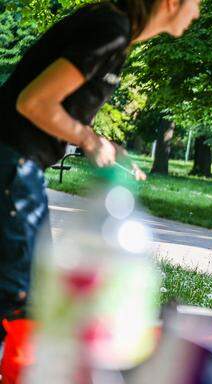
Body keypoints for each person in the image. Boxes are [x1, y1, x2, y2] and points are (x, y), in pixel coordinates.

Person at [0, 0, 201, 336]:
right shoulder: (109, 29)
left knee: (28, 296)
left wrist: (104, 145)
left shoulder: (112, 33)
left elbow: (57, 107)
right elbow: (34, 102)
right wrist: (90, 142)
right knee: (18, 299)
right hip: (12, 164)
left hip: (18, 166)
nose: (196, 14)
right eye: (196, 4)